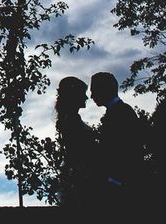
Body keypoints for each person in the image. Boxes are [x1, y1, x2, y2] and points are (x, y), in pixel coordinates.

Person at [90, 71, 146, 209]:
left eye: (94, 90)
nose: (91, 96)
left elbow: (129, 150)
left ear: (104, 89)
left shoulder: (122, 113)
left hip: (124, 187)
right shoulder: (118, 111)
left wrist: (114, 181)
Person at [55, 76, 99, 208]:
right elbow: (79, 152)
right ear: (74, 96)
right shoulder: (72, 121)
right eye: (83, 94)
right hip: (82, 178)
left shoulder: (70, 119)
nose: (86, 98)